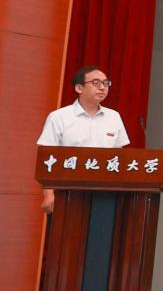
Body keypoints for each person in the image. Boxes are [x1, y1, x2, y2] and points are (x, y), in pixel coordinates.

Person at [37, 65, 130, 214]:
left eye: (105, 83)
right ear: (79, 88)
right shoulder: (59, 117)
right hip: (67, 190)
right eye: (96, 83)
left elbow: (119, 155)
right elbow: (47, 157)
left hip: (105, 192)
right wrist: (48, 194)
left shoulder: (114, 117)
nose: (102, 87)